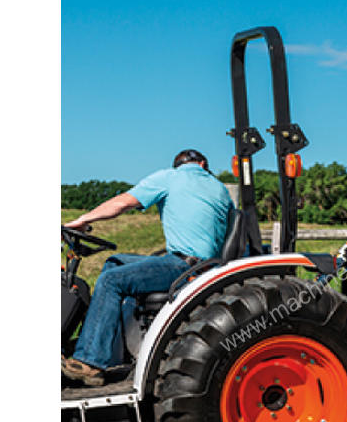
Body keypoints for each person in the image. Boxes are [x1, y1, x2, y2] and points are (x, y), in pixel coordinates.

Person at [62, 149, 234, 386]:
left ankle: (91, 361)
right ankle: (108, 349)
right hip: (204, 265)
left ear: (178, 165)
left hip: (182, 265)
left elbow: (123, 202)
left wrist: (83, 220)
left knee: (112, 280)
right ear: (203, 164)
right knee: (115, 262)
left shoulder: (170, 178)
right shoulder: (220, 188)